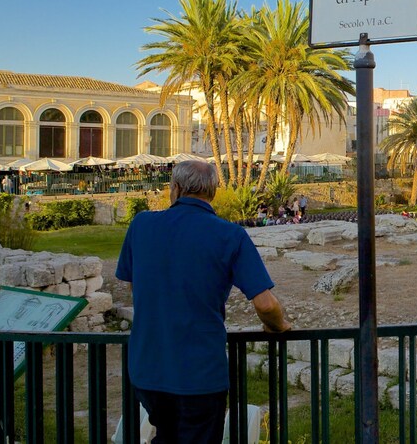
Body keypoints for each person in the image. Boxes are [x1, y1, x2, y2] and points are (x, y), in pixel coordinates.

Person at [115, 160, 290, 443]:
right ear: (214, 191)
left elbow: (135, 285)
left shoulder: (141, 225)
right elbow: (266, 304)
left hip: (147, 369)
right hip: (200, 373)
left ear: (175, 188)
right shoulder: (230, 235)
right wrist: (278, 326)